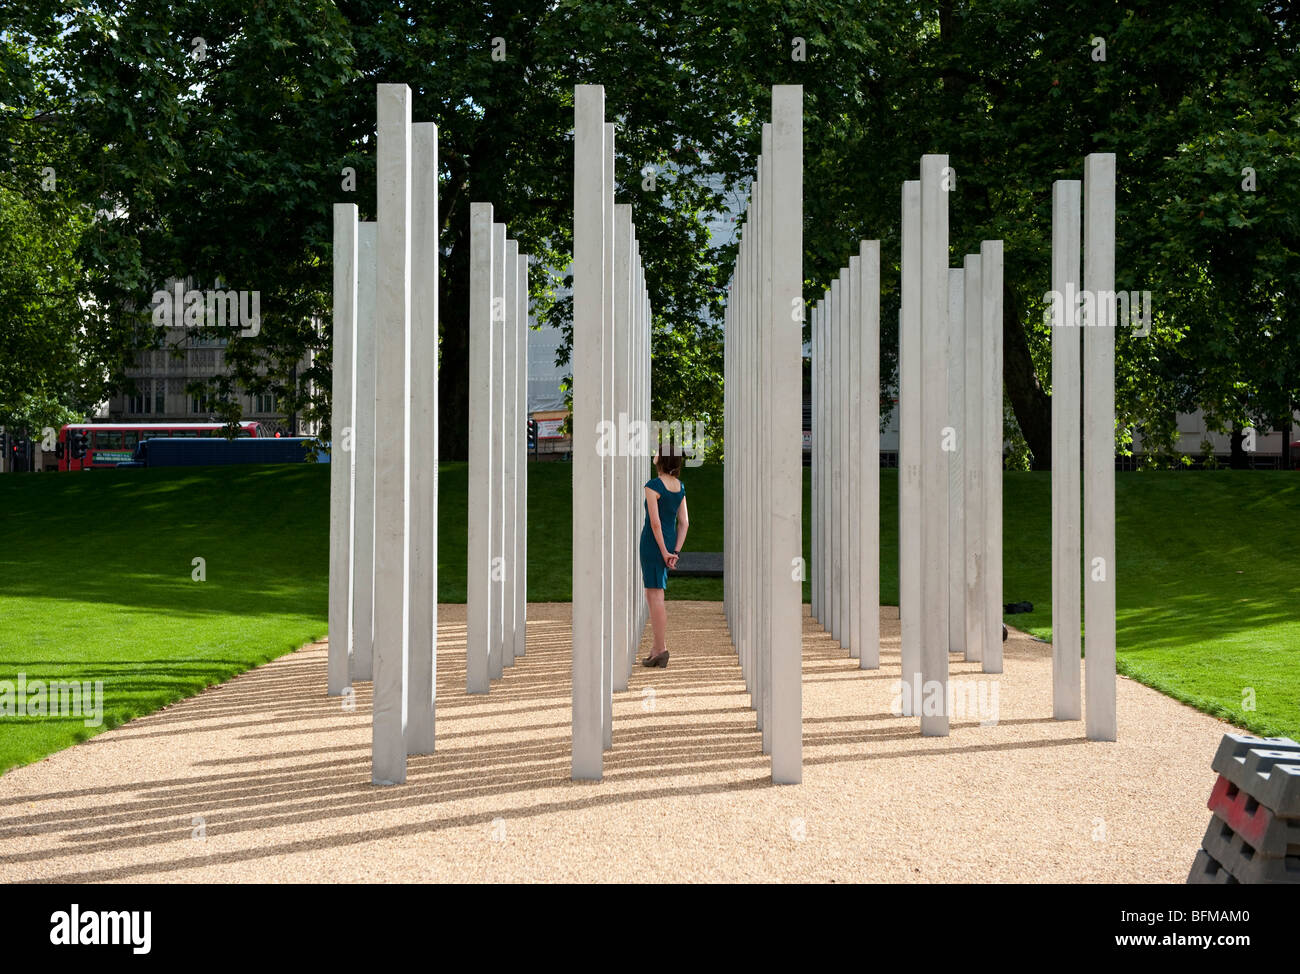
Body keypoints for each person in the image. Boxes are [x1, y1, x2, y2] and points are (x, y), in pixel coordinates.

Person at [639, 442, 690, 667]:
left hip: (653, 544)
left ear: (663, 458)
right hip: (668, 544)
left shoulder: (653, 485)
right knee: (655, 594)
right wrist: (674, 551)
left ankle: (661, 649)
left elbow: (654, 522)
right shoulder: (680, 486)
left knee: (655, 596)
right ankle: (656, 648)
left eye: (658, 451)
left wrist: (662, 551)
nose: (654, 454)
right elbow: (685, 523)